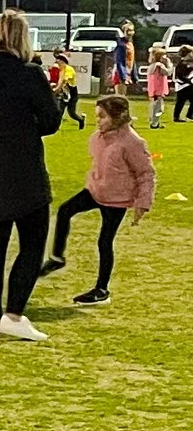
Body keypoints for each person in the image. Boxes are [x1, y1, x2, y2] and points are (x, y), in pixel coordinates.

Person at [0, 8, 61, 341]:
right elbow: (50, 122)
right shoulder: (29, 73)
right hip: (23, 168)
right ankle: (14, 313)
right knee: (32, 244)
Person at [42, 94, 153, 307]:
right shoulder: (98, 137)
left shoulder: (132, 142)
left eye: (102, 117)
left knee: (104, 241)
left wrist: (142, 203)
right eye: (97, 116)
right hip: (95, 192)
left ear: (118, 116)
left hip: (117, 199)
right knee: (65, 210)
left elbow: (146, 174)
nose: (98, 121)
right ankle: (57, 258)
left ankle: (102, 289)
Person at [147, 47, 172, 129]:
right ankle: (154, 123)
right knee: (159, 107)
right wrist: (169, 64)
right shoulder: (160, 66)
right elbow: (168, 72)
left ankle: (154, 121)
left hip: (154, 89)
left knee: (155, 106)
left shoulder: (152, 65)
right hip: (158, 89)